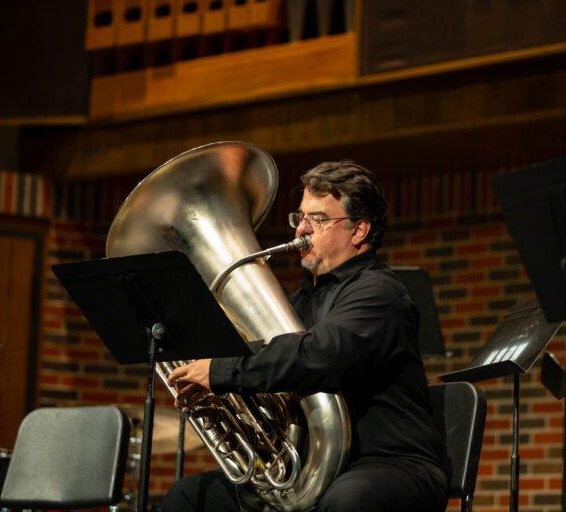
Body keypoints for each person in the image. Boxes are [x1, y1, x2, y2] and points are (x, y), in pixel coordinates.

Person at [162, 161, 447, 512]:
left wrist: (222, 372)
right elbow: (268, 355)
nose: (303, 231)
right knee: (190, 497)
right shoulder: (300, 303)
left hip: (390, 463)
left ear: (359, 231)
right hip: (312, 470)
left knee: (347, 501)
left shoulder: (380, 293)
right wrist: (209, 373)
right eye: (300, 218)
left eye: (319, 220)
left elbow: (320, 354)